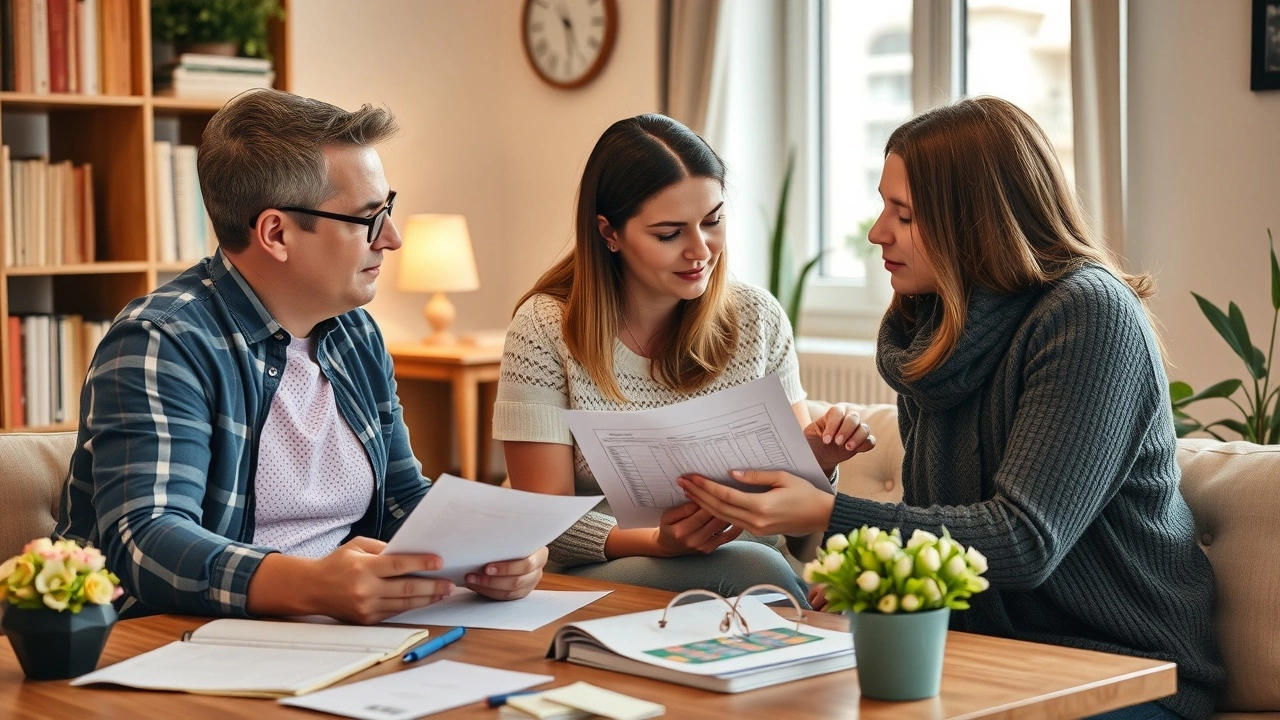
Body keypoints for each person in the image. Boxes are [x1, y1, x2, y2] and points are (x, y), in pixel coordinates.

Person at [677, 97, 1225, 719]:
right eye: (884, 206)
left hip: (1129, 670)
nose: (877, 232)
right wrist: (876, 581)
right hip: (982, 656)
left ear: (977, 222)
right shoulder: (932, 327)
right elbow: (941, 527)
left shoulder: (1090, 315)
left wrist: (831, 514)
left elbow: (1023, 540)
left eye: (904, 214)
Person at [55, 89, 546, 624]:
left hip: (341, 633)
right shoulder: (162, 340)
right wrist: (313, 587)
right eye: (368, 218)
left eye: (388, 209)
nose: (392, 238)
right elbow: (146, 542)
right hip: (185, 639)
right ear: (276, 233)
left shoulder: (356, 334)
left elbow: (401, 500)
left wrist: (488, 550)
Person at [494, 113, 874, 604]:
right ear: (609, 233)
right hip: (612, 566)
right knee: (754, 567)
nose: (700, 250)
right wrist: (658, 541)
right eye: (669, 233)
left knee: (771, 568)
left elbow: (796, 521)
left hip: (759, 564)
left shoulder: (757, 317)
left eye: (712, 221)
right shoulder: (546, 327)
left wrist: (820, 460)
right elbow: (541, 521)